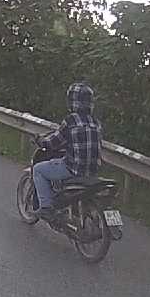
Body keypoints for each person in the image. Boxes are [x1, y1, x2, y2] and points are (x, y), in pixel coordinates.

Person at [33, 82, 102, 218]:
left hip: (74, 169)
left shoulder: (71, 121)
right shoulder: (96, 122)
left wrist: (40, 141)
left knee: (38, 169)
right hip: (93, 171)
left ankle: (46, 208)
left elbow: (53, 142)